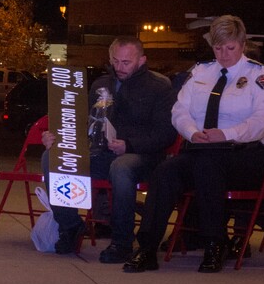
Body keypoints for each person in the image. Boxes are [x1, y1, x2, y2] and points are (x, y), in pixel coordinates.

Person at [124, 15, 264, 273]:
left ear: (242, 45)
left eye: (230, 48)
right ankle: (147, 248)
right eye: (218, 48)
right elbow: (179, 111)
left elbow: (262, 122)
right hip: (202, 148)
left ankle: (215, 244)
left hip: (244, 155)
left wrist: (226, 133)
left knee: (208, 166)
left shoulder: (258, 76)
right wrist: (192, 132)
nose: (224, 54)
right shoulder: (201, 72)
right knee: (165, 172)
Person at [41, 37, 177, 262]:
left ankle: (122, 240)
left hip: (143, 157)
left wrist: (129, 145)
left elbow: (166, 133)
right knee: (52, 157)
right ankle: (71, 226)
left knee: (121, 167)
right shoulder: (100, 85)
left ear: (142, 60)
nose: (120, 67)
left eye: (126, 62)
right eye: (116, 61)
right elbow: (83, 123)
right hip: (102, 153)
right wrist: (61, 139)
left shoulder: (159, 88)